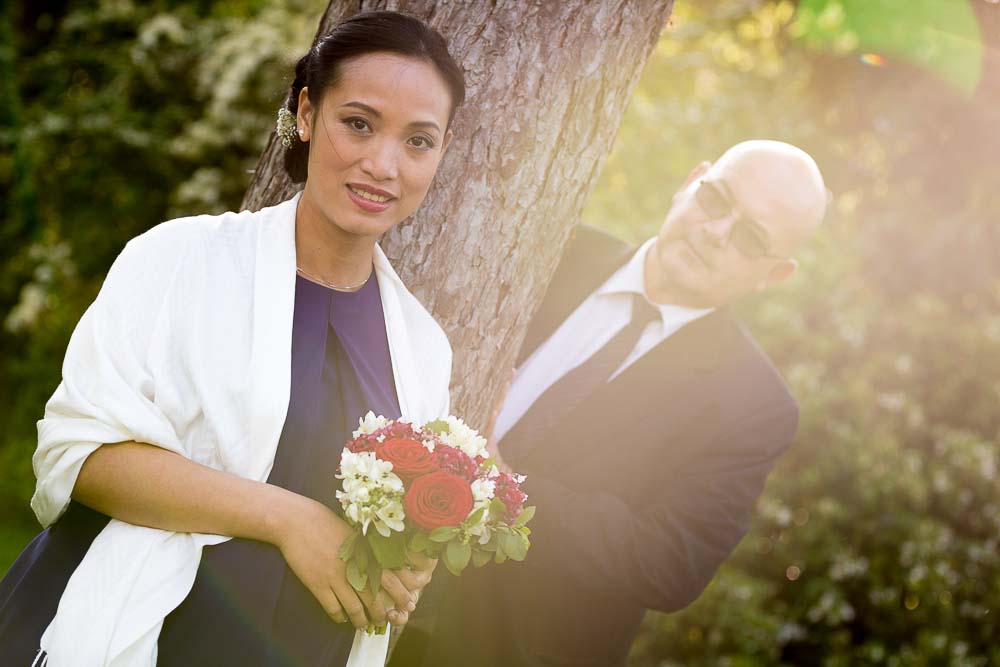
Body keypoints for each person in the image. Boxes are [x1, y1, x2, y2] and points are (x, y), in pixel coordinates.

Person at [0, 10, 465, 667]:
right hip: (143, 637)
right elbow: (84, 456)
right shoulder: (179, 257)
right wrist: (288, 518)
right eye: (358, 123)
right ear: (306, 113)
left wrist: (405, 559)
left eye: (419, 141)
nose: (383, 163)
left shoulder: (422, 344)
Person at [390, 140, 828, 667]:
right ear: (692, 179)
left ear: (773, 274)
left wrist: (504, 486)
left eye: (750, 236)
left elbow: (669, 563)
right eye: (716, 200)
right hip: (366, 561)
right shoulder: (555, 247)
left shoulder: (753, 405)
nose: (716, 231)